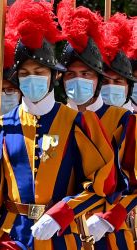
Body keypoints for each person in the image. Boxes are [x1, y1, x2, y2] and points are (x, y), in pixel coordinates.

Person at [0, 1, 117, 249]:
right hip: (11, 239)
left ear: (54, 76)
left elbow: (102, 184)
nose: (31, 78)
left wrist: (62, 213)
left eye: (39, 72)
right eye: (24, 73)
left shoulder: (80, 122)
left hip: (63, 236)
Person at [60, 10, 137, 249]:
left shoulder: (124, 120)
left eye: (86, 74)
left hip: (109, 232)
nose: (78, 81)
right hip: (61, 231)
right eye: (71, 75)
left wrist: (110, 218)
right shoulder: (58, 117)